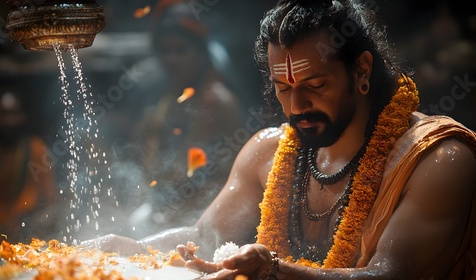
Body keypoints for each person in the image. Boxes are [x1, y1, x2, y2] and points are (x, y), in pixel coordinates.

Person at [82, 0, 476, 279]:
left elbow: (390, 275)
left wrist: (275, 271)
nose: (297, 105)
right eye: (282, 88)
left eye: (316, 84)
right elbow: (204, 238)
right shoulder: (268, 151)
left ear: (361, 70)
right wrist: (129, 249)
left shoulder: (438, 160)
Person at [124, 0, 245, 236]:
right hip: (162, 214)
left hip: (208, 215)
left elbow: (237, 174)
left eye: (181, 50)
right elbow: (141, 162)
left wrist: (192, 204)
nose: (172, 59)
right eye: (166, 51)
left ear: (200, 53)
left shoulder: (221, 103)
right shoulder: (159, 107)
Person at [0, 84, 59, 246]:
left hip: (22, 240)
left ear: (23, 116)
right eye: (2, 114)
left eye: (13, 114)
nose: (8, 121)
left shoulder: (36, 149)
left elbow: (51, 202)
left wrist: (35, 223)